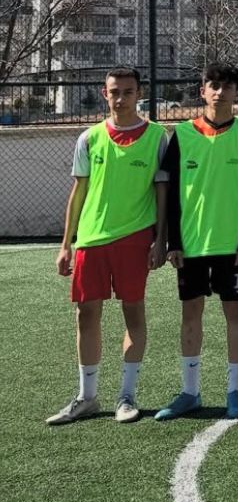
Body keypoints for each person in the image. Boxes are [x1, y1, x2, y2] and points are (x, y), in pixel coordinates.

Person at [48, 68, 167, 425]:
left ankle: (126, 397)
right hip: (91, 239)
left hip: (135, 238)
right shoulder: (89, 137)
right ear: (105, 94)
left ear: (139, 94)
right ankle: (87, 397)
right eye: (115, 92)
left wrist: (161, 239)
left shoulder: (157, 137)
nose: (121, 98)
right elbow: (78, 192)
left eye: (128, 92)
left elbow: (162, 191)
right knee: (86, 314)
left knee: (134, 313)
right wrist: (66, 244)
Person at [156, 63, 238, 421]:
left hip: (233, 246)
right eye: (213, 85)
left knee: (235, 314)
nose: (220, 92)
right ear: (202, 90)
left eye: (227, 86)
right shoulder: (182, 134)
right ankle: (190, 392)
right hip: (191, 245)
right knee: (190, 315)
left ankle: (234, 391)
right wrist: (173, 241)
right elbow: (170, 191)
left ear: (237, 92)